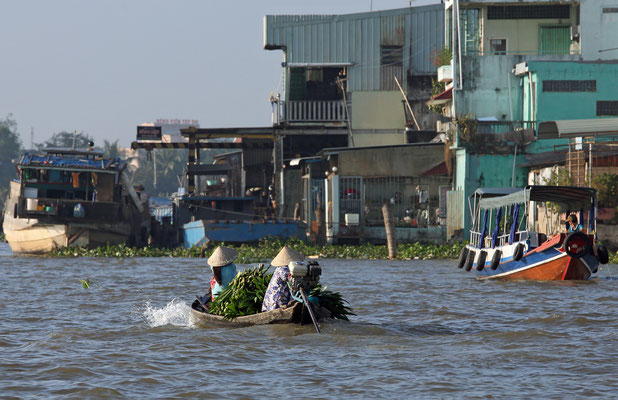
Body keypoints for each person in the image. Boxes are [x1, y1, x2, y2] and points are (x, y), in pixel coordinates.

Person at [195, 246, 238, 311]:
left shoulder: (213, 267)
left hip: (215, 300)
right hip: (230, 299)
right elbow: (235, 279)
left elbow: (217, 272)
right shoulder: (231, 267)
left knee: (213, 280)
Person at [261, 246, 303, 312]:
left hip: (280, 298)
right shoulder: (283, 268)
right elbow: (288, 277)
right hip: (275, 302)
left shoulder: (288, 268)